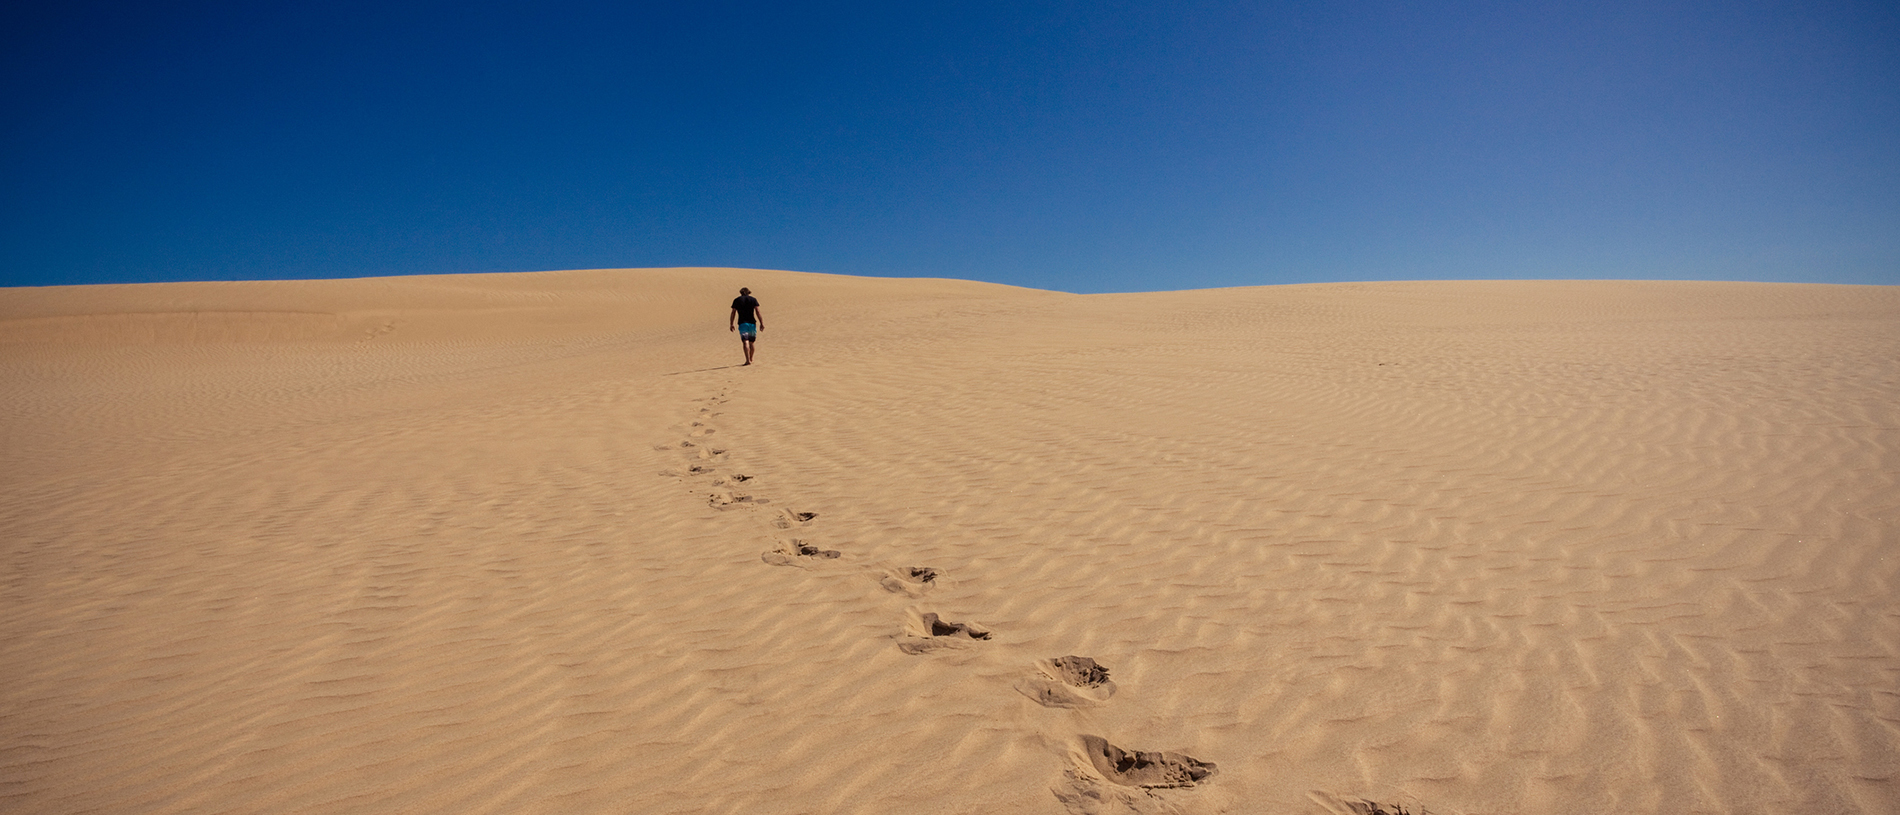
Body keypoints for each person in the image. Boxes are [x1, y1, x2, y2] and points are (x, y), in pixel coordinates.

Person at [729, 287, 763, 365]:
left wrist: (731, 324)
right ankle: (751, 358)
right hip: (752, 323)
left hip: (742, 323)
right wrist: (761, 322)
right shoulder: (753, 299)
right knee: (751, 342)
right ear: (749, 292)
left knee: (745, 341)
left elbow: (733, 312)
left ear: (741, 292)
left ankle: (747, 360)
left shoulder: (737, 300)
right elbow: (758, 311)